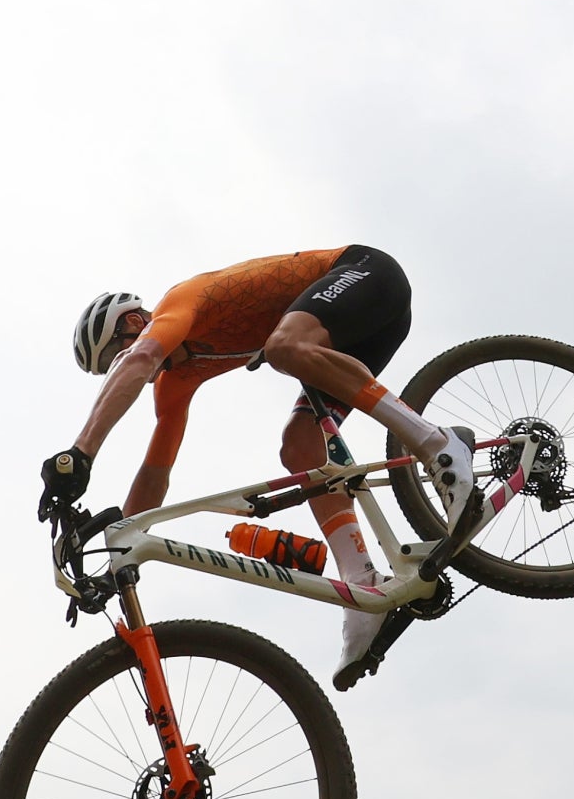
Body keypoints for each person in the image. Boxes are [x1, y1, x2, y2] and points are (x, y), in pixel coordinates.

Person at [37, 246, 485, 687]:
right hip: (346, 336)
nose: (124, 371)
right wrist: (121, 547)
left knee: (283, 347)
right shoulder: (175, 384)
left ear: (134, 323)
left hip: (365, 274)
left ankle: (438, 444)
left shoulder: (177, 305)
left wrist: (80, 453)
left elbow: (138, 359)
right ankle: (362, 585)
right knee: (299, 449)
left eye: (112, 359)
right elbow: (157, 471)